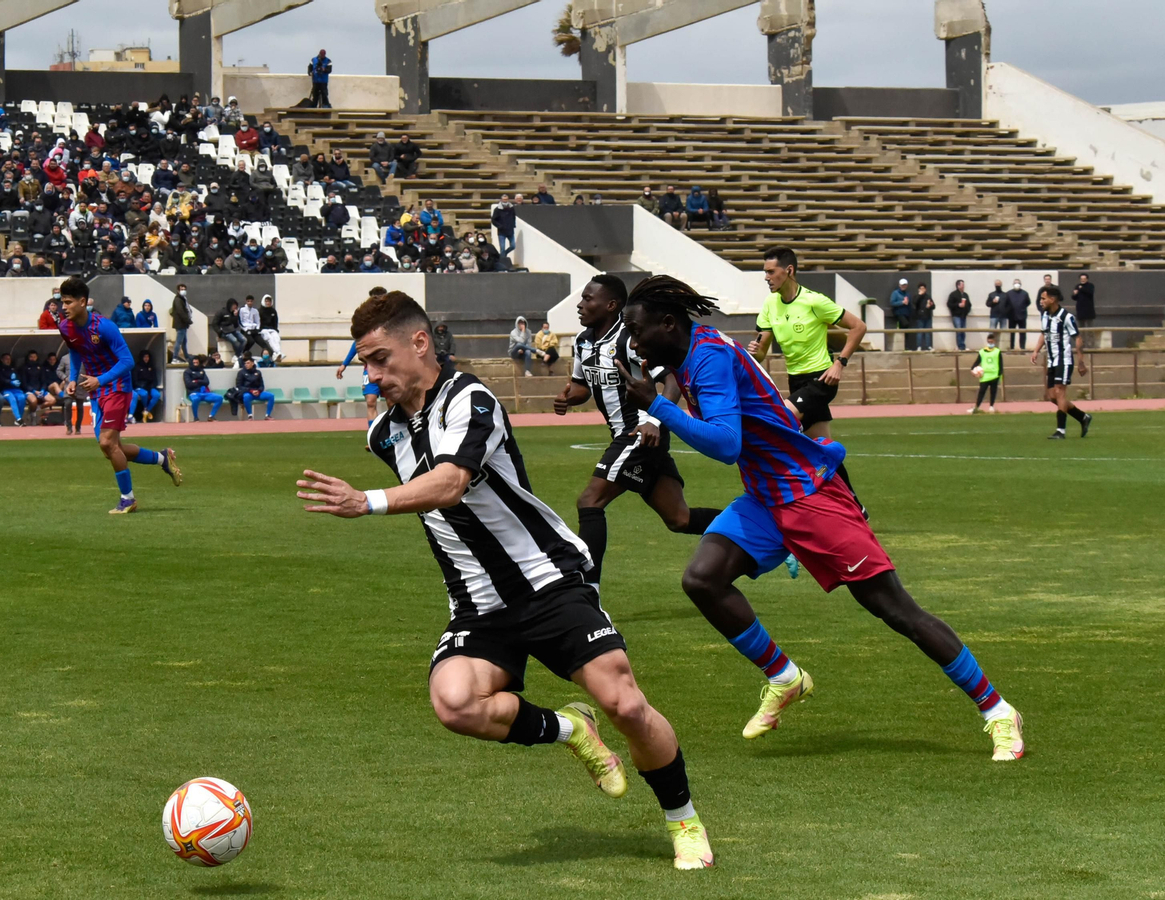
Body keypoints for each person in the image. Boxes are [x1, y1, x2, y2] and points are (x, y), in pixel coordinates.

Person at [295, 290, 715, 870]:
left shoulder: (471, 398)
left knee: (625, 704)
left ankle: (683, 819)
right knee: (456, 703)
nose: (371, 375)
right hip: (477, 602)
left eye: (379, 359)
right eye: (365, 363)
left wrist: (366, 501)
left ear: (420, 342)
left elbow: (450, 484)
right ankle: (570, 729)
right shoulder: (383, 434)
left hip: (546, 579)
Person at [616, 273, 1024, 762]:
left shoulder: (708, 357)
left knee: (896, 610)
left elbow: (726, 445)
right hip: (767, 497)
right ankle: (784, 676)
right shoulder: (691, 350)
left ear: (668, 323)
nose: (633, 342)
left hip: (810, 495)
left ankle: (998, 710)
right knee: (702, 579)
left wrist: (656, 406)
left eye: (636, 331)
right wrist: (656, 404)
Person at [553, 275, 724, 588]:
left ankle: (587, 593)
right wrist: (568, 398)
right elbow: (582, 387)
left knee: (590, 501)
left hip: (639, 434)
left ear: (611, 305)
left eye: (588, 299)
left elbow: (670, 381)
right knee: (679, 518)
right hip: (631, 438)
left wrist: (654, 421)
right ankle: (765, 530)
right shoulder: (583, 341)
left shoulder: (630, 340)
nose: (580, 305)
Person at [54, 278, 182, 512]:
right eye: (62, 302)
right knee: (110, 449)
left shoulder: (104, 327)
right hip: (96, 390)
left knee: (107, 442)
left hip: (117, 387)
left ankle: (128, 499)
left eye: (68, 302)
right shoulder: (65, 327)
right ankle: (163, 458)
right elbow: (75, 350)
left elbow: (128, 361)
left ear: (82, 302)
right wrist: (72, 378)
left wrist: (100, 380)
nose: (64, 307)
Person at [750, 247, 867, 442]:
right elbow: (760, 353)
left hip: (821, 379)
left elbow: (859, 326)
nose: (766, 277)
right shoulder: (770, 304)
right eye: (765, 272)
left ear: (789, 270)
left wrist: (840, 363)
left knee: (780, 418)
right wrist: (755, 352)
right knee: (822, 448)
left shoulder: (814, 301)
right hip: (795, 381)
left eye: (771, 272)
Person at [1031, 286, 1092, 440]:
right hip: (1051, 361)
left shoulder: (1066, 317)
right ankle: (1083, 417)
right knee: (1052, 396)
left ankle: (1061, 431)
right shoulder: (1045, 316)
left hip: (1063, 360)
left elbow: (1077, 338)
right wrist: (1036, 350)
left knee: (1060, 392)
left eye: (1043, 298)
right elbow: (1044, 334)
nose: (1041, 301)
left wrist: (1081, 361)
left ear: (1052, 299)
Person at [969, 332, 1002, 414]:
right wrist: (972, 369)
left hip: (994, 375)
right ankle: (977, 407)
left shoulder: (997, 351)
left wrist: (999, 374)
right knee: (981, 391)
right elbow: (977, 361)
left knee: (993, 391)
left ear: (994, 342)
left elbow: (1000, 364)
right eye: (989, 342)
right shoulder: (982, 351)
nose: (990, 344)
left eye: (992, 342)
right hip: (984, 375)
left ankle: (991, 406)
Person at [185, 355, 221, 421]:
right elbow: (189, 384)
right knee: (196, 399)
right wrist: (201, 382)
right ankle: (196, 418)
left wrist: (196, 381)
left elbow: (207, 382)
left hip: (204, 392)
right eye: (194, 363)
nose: (196, 364)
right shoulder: (187, 372)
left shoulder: (202, 371)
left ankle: (211, 416)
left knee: (219, 398)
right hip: (193, 392)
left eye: (197, 363)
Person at [131, 350, 161, 423]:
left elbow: (154, 380)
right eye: (145, 357)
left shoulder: (151, 367)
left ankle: (146, 410)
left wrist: (152, 386)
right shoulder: (137, 367)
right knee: (144, 394)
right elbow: (134, 381)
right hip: (139, 387)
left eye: (147, 357)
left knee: (157, 395)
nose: (146, 358)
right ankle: (145, 408)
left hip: (150, 387)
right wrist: (142, 386)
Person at [1003, 279, 1032, 350]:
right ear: (1013, 284)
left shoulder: (1025, 293)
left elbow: (1028, 302)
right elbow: (1005, 304)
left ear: (1020, 284)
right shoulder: (1008, 293)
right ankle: (1011, 348)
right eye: (1015, 283)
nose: (1017, 284)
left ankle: (1022, 348)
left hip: (1022, 316)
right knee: (1011, 333)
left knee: (1022, 333)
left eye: (1018, 283)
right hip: (1011, 316)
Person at [946, 280, 972, 351]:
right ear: (958, 286)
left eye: (964, 284)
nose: (963, 286)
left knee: (963, 331)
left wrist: (966, 311)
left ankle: (962, 346)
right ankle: (960, 346)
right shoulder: (953, 294)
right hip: (956, 315)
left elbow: (969, 305)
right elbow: (949, 304)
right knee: (959, 330)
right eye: (962, 285)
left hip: (963, 315)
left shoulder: (965, 295)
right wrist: (958, 305)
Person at [170, 284, 193, 363]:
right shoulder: (178, 300)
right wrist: (188, 320)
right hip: (181, 324)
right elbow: (181, 311)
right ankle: (175, 358)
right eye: (181, 289)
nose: (183, 291)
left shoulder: (182, 299)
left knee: (184, 341)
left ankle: (186, 357)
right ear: (178, 290)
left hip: (183, 324)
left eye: (184, 289)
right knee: (179, 341)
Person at [888, 278, 913, 351]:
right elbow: (892, 303)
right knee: (905, 324)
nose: (903, 286)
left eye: (905, 285)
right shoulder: (895, 293)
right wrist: (902, 302)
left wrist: (908, 303)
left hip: (906, 313)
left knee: (907, 330)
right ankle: (902, 345)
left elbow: (910, 303)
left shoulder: (907, 294)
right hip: (899, 313)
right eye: (902, 285)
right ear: (899, 285)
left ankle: (906, 346)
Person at [914, 282, 935, 351]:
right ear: (918, 289)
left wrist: (931, 305)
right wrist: (919, 295)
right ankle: (919, 346)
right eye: (921, 288)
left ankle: (928, 346)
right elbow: (914, 303)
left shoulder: (928, 297)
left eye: (923, 288)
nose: (922, 290)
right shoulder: (916, 296)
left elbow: (934, 306)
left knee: (927, 332)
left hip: (927, 316)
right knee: (919, 332)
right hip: (919, 317)